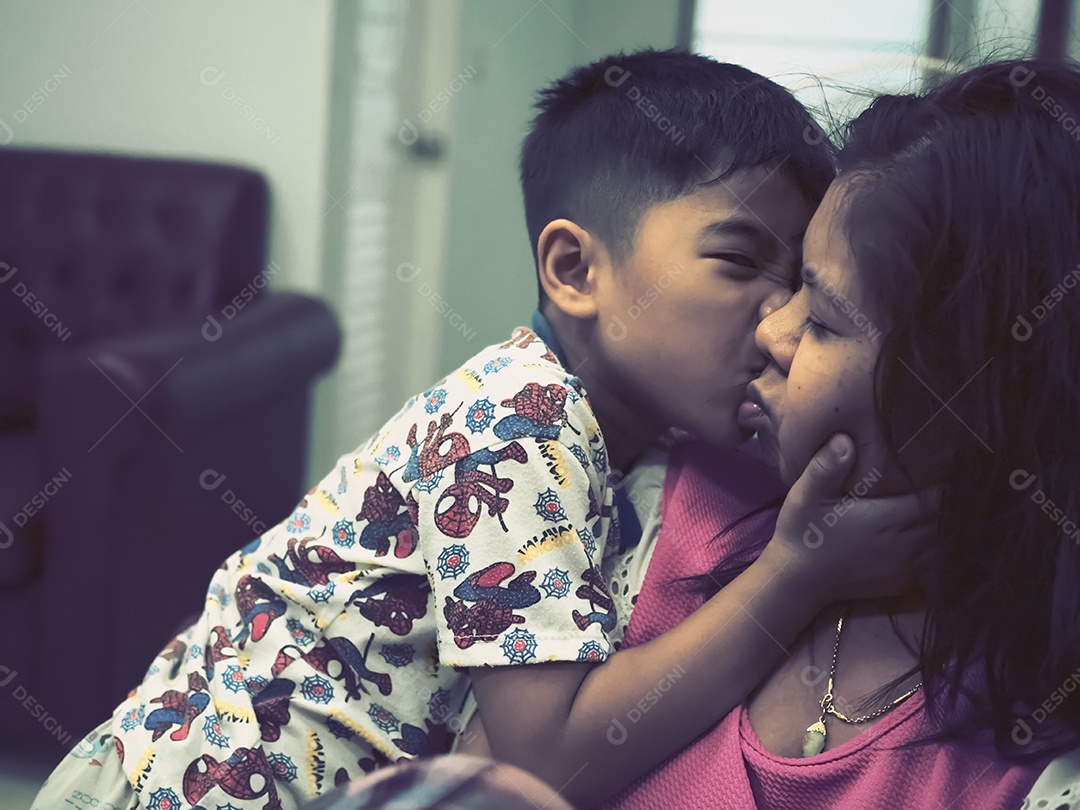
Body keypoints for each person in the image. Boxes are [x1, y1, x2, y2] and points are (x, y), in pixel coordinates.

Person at [33, 49, 929, 810]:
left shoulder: (631, 432)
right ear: (575, 268)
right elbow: (546, 758)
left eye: (803, 286)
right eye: (739, 262)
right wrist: (795, 573)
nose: (779, 318)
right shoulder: (520, 423)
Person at [595, 58, 1080, 809]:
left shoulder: (1041, 766)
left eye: (820, 320)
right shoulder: (657, 510)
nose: (770, 327)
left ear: (980, 404)